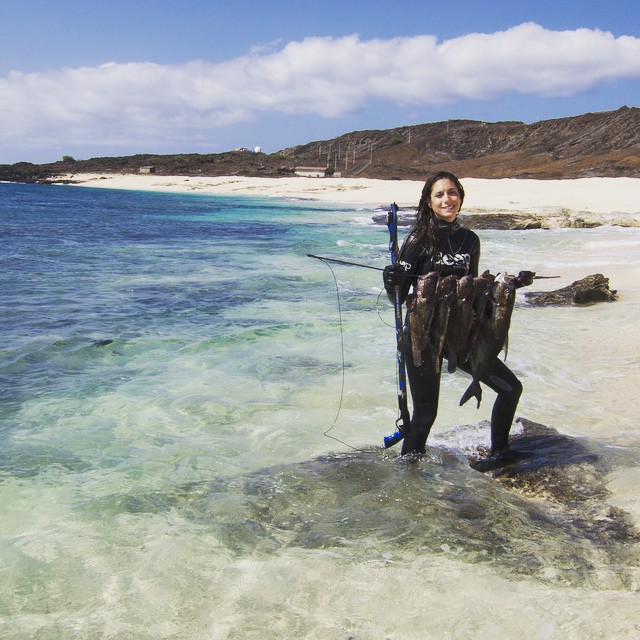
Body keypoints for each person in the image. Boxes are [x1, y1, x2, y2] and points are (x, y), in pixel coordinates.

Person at [383, 170, 533, 465]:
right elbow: (396, 297)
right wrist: (391, 281)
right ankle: (409, 475)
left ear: (461, 197)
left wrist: (511, 284)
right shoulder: (417, 241)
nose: (447, 199)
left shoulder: (470, 240)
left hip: (461, 334)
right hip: (422, 335)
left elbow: (474, 288)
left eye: (452, 193)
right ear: (428, 201)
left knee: (510, 387)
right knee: (426, 412)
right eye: (439, 194)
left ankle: (500, 451)